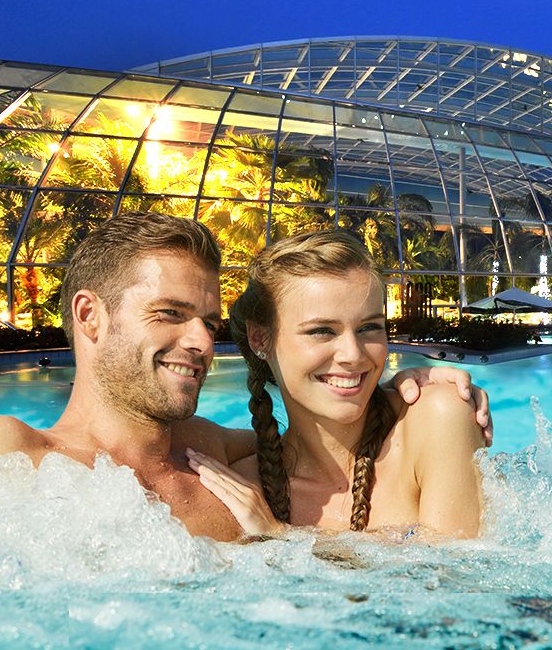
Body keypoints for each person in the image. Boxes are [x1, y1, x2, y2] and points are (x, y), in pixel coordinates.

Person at [0, 213, 490, 541]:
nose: (202, 342)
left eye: (209, 322)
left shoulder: (215, 459)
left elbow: (323, 445)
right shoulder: (5, 453)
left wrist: (405, 394)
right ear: (90, 316)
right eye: (170, 313)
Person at [188, 230, 485, 539]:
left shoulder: (437, 418)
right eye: (322, 331)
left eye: (369, 328)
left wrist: (279, 537)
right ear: (260, 338)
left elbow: (460, 568)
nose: (353, 355)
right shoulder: (244, 490)